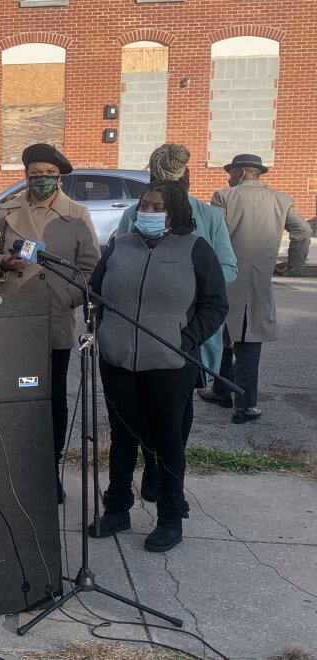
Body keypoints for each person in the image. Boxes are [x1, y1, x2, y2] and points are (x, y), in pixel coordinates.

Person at [89, 180, 227, 552]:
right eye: (144, 207)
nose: (147, 213)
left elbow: (216, 305)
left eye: (157, 208)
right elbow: (96, 291)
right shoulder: (120, 245)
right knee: (122, 437)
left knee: (167, 440)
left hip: (170, 361)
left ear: (177, 212)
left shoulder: (196, 249)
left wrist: (187, 339)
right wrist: (104, 332)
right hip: (118, 360)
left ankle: (169, 517)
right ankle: (117, 508)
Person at [115, 143, 238, 501]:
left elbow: (228, 267)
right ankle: (147, 469)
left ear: (185, 181)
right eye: (155, 186)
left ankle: (164, 476)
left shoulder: (208, 218)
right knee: (138, 414)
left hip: (186, 333)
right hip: (138, 334)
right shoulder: (135, 215)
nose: (157, 202)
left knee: (177, 412)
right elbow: (118, 260)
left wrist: (190, 283)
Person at [0, 143, 100, 503]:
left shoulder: (77, 215)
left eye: (49, 176)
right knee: (14, 397)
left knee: (51, 399)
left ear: (60, 178)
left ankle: (47, 472)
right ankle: (12, 471)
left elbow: (90, 271)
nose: (42, 181)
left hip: (53, 319)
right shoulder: (6, 210)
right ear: (25, 175)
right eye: (35, 174)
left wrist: (65, 298)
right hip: (12, 317)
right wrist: (3, 262)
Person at [198, 154, 311, 423]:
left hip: (225, 278)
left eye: (231, 172)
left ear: (241, 173)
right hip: (258, 282)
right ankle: (241, 401)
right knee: (248, 342)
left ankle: (229, 395)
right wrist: (293, 264)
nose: (228, 177)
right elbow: (303, 231)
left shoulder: (224, 197)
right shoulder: (281, 200)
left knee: (223, 335)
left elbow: (211, 232)